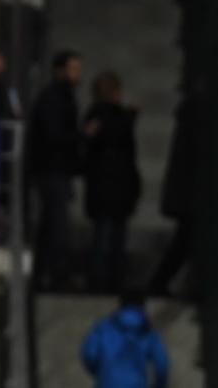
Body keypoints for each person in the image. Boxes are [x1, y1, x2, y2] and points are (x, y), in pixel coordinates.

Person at [27, 50, 83, 290]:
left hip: (55, 167)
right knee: (57, 224)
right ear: (60, 70)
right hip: (52, 167)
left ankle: (41, 273)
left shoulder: (61, 97)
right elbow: (54, 135)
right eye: (73, 69)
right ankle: (59, 275)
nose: (77, 74)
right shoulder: (54, 98)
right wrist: (81, 136)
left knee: (51, 224)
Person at [83, 72, 141, 292]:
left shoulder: (98, 117)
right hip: (113, 189)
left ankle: (105, 280)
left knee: (107, 237)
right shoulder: (113, 118)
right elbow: (117, 138)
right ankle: (105, 281)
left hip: (106, 189)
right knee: (109, 238)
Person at [80, 292, 168, 388]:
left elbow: (89, 355)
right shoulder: (148, 332)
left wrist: (102, 374)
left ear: (120, 304)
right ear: (143, 306)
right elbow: (162, 365)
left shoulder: (103, 327)